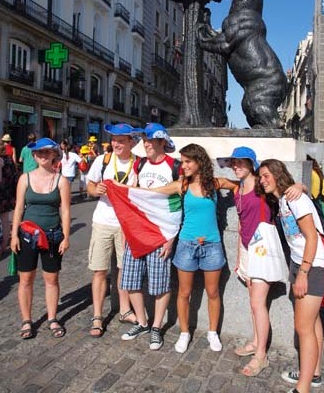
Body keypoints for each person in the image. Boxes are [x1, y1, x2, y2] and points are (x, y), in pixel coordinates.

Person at [120, 143, 238, 354]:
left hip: (212, 245)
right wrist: (120, 189)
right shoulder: (181, 185)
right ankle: (184, 332)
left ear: (199, 161)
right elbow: (150, 193)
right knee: (184, 292)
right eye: (182, 161)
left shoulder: (215, 183)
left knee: (213, 292)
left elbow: (240, 186)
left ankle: (213, 332)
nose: (182, 166)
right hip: (186, 244)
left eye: (187, 162)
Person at [216, 147, 303, 377]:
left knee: (257, 303)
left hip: (263, 248)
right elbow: (242, 222)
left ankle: (261, 356)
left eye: (241, 162)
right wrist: (238, 254)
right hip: (246, 249)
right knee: (253, 300)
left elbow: (288, 188)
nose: (236, 166)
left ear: (251, 164)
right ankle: (256, 341)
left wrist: (300, 186)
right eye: (233, 162)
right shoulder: (239, 188)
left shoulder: (261, 185)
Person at [259, 159, 324, 393]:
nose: (262, 180)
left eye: (266, 175)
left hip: (312, 267)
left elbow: (312, 237)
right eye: (260, 176)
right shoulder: (283, 199)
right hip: (300, 263)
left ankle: (303, 388)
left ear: (278, 174)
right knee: (313, 322)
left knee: (303, 328)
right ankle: (314, 373)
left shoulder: (294, 199)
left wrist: (303, 275)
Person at [120, 122, 182, 351]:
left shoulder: (175, 166)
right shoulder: (140, 164)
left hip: (161, 234)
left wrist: (171, 237)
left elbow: (177, 205)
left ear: (162, 142)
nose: (145, 144)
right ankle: (142, 322)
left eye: (149, 140)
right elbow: (133, 196)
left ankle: (156, 327)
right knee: (131, 281)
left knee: (160, 284)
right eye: (144, 140)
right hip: (137, 232)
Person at [10, 138, 71, 339]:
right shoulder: (24, 179)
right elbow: (18, 208)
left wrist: (66, 237)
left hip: (53, 235)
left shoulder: (61, 180)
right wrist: (13, 236)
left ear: (54, 154)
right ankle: (27, 320)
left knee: (51, 279)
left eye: (46, 152)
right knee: (26, 278)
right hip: (27, 236)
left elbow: (65, 211)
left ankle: (52, 318)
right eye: (38, 153)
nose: (42, 156)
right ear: (33, 156)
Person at [87, 123, 139, 337]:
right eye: (114, 140)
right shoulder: (103, 160)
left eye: (121, 140)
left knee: (123, 269)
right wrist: (95, 189)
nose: (116, 144)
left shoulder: (139, 164)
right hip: (103, 221)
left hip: (126, 224)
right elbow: (89, 186)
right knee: (99, 270)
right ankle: (98, 316)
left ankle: (125, 309)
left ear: (130, 143)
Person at [0, 140, 18, 254]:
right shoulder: (9, 160)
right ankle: (5, 244)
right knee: (5, 220)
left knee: (1, 221)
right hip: (7, 194)